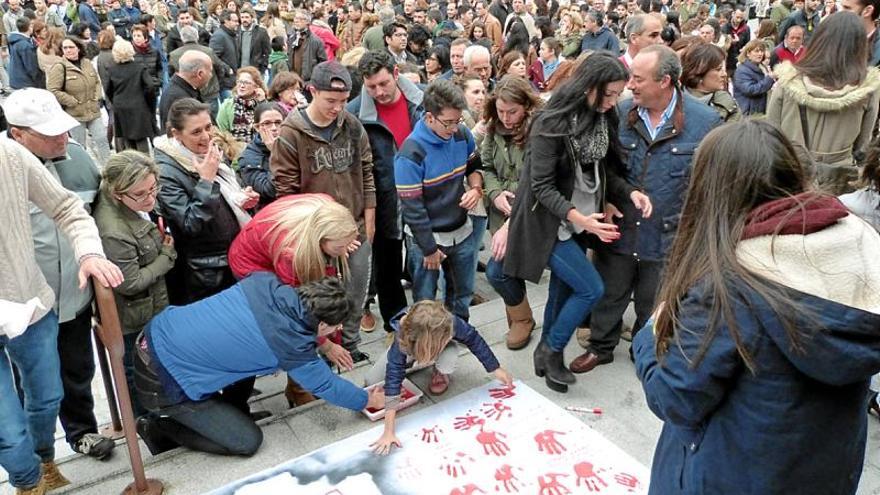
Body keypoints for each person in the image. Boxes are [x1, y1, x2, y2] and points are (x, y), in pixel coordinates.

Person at [634, 118, 880, 495]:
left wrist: (649, 337)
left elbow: (676, 398)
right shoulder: (856, 244)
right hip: (821, 467)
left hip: (731, 471)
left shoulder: (733, 281)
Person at [0, 89, 123, 495]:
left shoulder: (16, 158)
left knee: (55, 389)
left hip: (41, 302)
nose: (62, 139)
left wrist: (90, 252)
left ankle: (55, 452)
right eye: (49, 132)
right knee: (9, 427)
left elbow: (74, 209)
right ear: (19, 133)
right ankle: (28, 480)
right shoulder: (17, 153)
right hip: (28, 303)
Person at [502, 52, 646, 392]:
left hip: (582, 220)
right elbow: (541, 186)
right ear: (588, 87)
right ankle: (552, 349)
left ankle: (547, 355)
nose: (613, 103)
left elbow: (606, 169)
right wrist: (580, 217)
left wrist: (628, 194)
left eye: (617, 95)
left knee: (562, 289)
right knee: (591, 288)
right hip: (548, 223)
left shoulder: (600, 118)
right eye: (608, 94)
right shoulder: (550, 121)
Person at [134, 275, 385, 456]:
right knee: (247, 441)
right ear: (321, 325)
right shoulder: (290, 344)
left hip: (158, 332)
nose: (337, 330)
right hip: (163, 381)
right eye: (336, 325)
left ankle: (227, 414)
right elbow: (326, 385)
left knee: (251, 355)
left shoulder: (265, 282)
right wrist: (366, 400)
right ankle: (160, 427)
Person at [585, 45, 720, 368]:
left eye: (638, 79)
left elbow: (709, 186)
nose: (630, 85)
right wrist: (605, 198)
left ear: (665, 82)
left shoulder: (706, 122)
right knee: (609, 293)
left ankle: (644, 354)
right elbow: (603, 167)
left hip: (667, 235)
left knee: (654, 301)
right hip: (619, 230)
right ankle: (600, 347)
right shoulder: (619, 114)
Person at [271, 61, 375, 363]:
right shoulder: (292, 133)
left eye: (343, 102)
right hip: (316, 234)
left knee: (356, 291)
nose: (337, 108)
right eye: (331, 101)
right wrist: (314, 237)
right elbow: (287, 195)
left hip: (354, 225)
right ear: (312, 91)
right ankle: (324, 349)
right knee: (321, 297)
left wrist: (369, 217)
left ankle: (352, 344)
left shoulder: (351, 125)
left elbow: (367, 169)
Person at [394, 79, 483, 395]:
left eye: (458, 120)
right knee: (425, 303)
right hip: (428, 239)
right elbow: (413, 209)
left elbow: (475, 166)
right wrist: (430, 249)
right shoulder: (411, 153)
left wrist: (475, 188)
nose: (454, 127)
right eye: (447, 122)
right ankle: (421, 352)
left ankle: (448, 358)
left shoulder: (461, 134)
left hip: (461, 232)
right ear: (428, 117)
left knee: (461, 297)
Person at [367, 300, 514, 454]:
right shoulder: (403, 336)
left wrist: (495, 368)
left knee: (447, 362)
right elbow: (393, 377)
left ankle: (439, 370)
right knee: (372, 380)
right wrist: (388, 431)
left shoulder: (450, 322)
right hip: (414, 346)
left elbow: (473, 339)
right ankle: (418, 361)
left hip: (436, 347)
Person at [93, 151, 176, 417]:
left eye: (153, 188)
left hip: (149, 307)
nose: (150, 198)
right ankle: (146, 424)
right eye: (140, 194)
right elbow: (129, 282)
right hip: (133, 316)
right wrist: (166, 257)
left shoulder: (135, 203)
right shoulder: (113, 230)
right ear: (118, 193)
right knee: (136, 371)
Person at [155, 98, 259, 305]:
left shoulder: (209, 152)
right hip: (206, 271)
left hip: (233, 255)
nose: (206, 136)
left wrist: (242, 198)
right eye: (196, 132)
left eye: (208, 127)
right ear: (176, 134)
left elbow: (223, 197)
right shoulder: (166, 172)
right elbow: (189, 224)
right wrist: (206, 182)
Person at [348, 50, 423, 335]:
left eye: (383, 84)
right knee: (387, 266)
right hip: (382, 201)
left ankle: (428, 320)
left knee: (422, 262)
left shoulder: (421, 101)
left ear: (396, 74)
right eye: (371, 87)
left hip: (421, 196)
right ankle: (397, 328)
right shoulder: (355, 113)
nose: (379, 92)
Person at [767, 12, 880, 195]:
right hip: (839, 181)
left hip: (790, 175)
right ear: (860, 47)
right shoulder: (868, 90)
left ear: (819, 40)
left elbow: (770, 134)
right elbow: (862, 146)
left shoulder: (788, 82)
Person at [480, 76, 542, 349]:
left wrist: (512, 200)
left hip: (530, 212)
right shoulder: (493, 130)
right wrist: (493, 194)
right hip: (499, 210)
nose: (506, 118)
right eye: (501, 111)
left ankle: (522, 319)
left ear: (527, 107)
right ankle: (519, 318)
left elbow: (537, 178)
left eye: (512, 112)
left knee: (497, 270)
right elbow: (487, 168)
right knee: (505, 270)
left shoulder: (539, 131)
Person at [46, 37, 111, 166]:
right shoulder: (60, 67)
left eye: (71, 47)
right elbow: (53, 89)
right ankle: (85, 169)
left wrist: (97, 96)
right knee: (80, 145)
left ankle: (109, 166)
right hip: (75, 114)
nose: (68, 50)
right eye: (65, 48)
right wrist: (71, 101)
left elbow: (97, 81)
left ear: (78, 48)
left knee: (102, 139)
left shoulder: (87, 63)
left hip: (93, 110)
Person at [104, 39, 160, 153]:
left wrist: (115, 101)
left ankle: (133, 164)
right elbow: (150, 86)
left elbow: (108, 89)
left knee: (127, 139)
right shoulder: (139, 68)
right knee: (141, 139)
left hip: (120, 107)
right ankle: (145, 164)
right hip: (138, 105)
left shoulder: (111, 69)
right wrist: (146, 100)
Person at [168, 25, 232, 119]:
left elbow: (172, 74)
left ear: (182, 38)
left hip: (187, 95)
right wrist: (216, 83)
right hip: (209, 92)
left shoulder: (173, 55)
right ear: (197, 36)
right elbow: (219, 68)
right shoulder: (208, 51)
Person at [239, 102, 284, 206]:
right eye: (267, 123)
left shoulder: (292, 145)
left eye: (278, 122)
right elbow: (268, 191)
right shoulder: (248, 157)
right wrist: (275, 153)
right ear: (257, 127)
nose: (274, 128)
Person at [680, 42, 740, 122]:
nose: (724, 74)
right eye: (718, 69)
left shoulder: (728, 104)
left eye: (724, 69)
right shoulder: (672, 101)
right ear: (699, 71)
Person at [160, 51, 214, 130]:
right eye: (210, 71)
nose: (211, 75)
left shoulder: (186, 90)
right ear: (200, 74)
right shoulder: (178, 99)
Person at [217, 67, 268, 143]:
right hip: (234, 149)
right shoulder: (228, 105)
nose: (242, 86)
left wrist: (262, 102)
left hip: (259, 148)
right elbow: (222, 130)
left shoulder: (262, 104)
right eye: (240, 82)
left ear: (256, 86)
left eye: (246, 82)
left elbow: (267, 124)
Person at [732, 39, 776, 115]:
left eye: (761, 51)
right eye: (756, 51)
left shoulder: (762, 67)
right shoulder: (742, 70)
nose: (760, 54)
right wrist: (769, 79)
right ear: (748, 53)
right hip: (749, 112)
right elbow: (750, 90)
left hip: (759, 109)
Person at [288, 9, 328, 86]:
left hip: (308, 83)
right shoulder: (292, 38)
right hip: (292, 82)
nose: (296, 21)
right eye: (295, 18)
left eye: (300, 19)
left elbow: (323, 64)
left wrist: (313, 81)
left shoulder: (316, 41)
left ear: (307, 22)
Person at [9, 17, 44, 90]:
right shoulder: (25, 45)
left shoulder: (14, 41)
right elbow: (31, 67)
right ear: (30, 27)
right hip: (25, 83)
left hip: (16, 80)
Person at [239, 7, 271, 75]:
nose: (244, 20)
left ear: (252, 18)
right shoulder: (236, 32)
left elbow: (268, 52)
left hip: (255, 71)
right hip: (240, 71)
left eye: (247, 17)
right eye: (242, 17)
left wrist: (262, 68)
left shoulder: (261, 32)